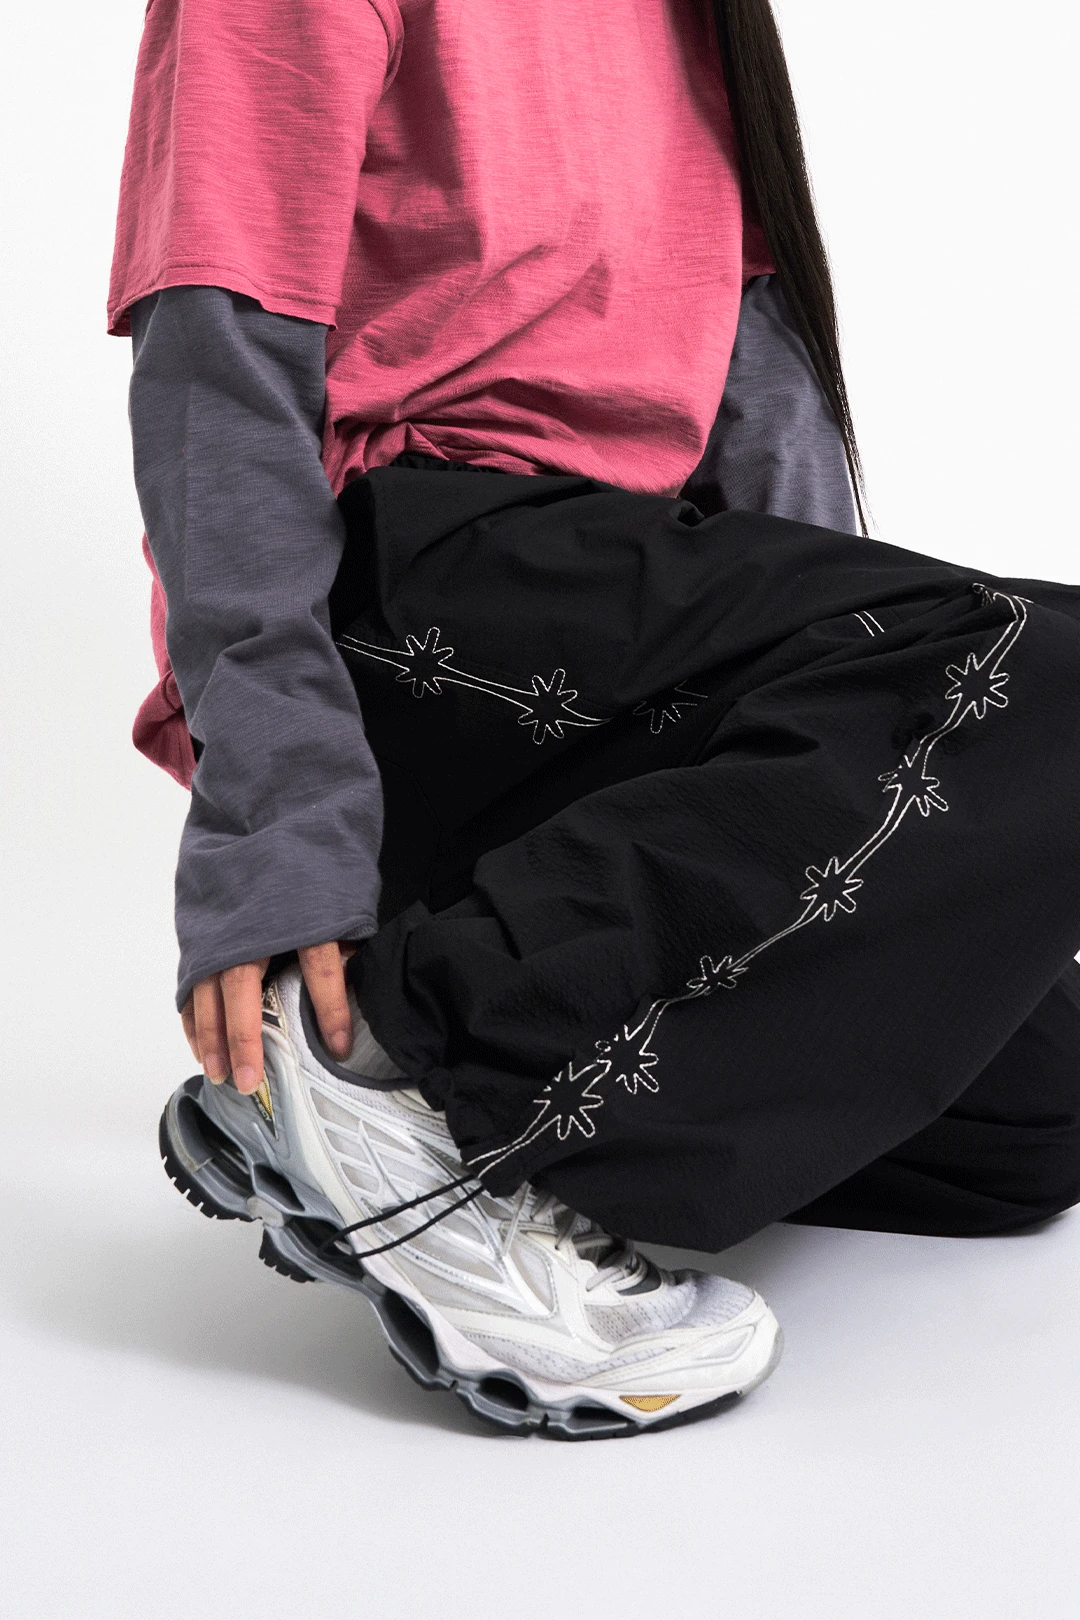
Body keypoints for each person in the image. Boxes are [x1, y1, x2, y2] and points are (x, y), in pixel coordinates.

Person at [111, 0, 1080, 1439]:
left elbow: (764, 417)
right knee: (1044, 660)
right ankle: (395, 1076)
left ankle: (515, 1080)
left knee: (1029, 1120)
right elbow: (217, 381)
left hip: (620, 611)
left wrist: (873, 772)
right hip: (414, 588)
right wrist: (278, 841)